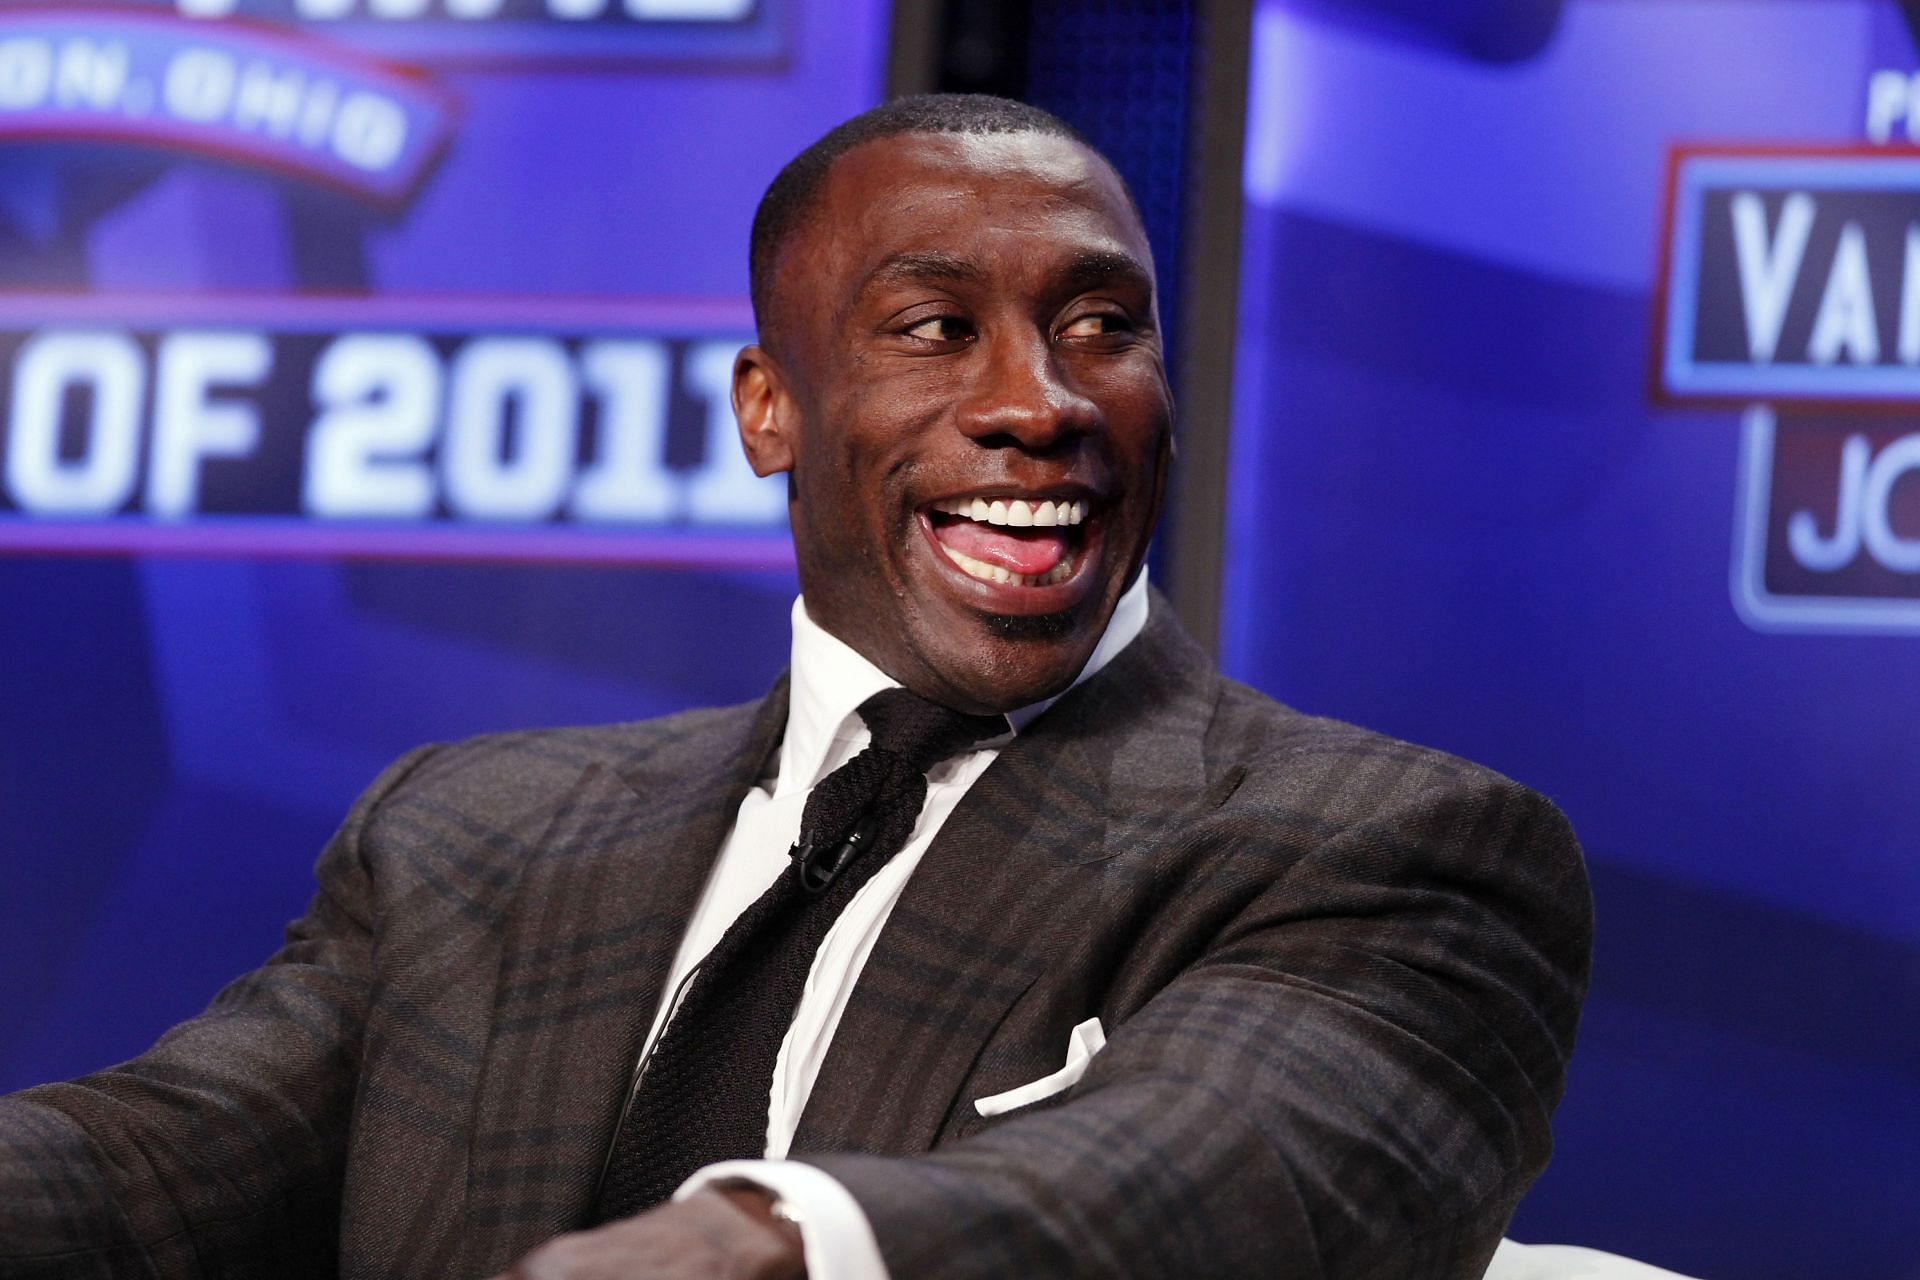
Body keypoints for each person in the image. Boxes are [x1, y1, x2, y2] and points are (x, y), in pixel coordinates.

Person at [0, 95, 1591, 1280]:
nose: (1038, 405)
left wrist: (779, 1241)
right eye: (935, 328)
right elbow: (160, 1168)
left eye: (1101, 327)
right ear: (770, 407)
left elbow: (1213, 1181)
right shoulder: (473, 836)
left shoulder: (1387, 847)